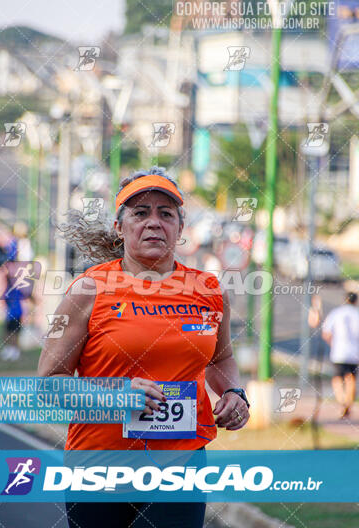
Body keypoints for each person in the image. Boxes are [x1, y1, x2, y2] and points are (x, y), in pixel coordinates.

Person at [38, 167, 250, 528]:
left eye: (165, 214)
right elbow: (49, 382)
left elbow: (222, 357)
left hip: (180, 466)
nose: (154, 222)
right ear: (120, 228)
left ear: (181, 229)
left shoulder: (209, 290)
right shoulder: (89, 290)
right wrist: (116, 394)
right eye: (140, 213)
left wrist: (233, 392)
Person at [322, 292, 359, 419]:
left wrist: (333, 343)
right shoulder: (357, 314)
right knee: (351, 378)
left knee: (337, 379)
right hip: (355, 352)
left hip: (339, 351)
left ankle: (342, 401)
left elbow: (326, 333)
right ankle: (348, 403)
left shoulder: (336, 313)